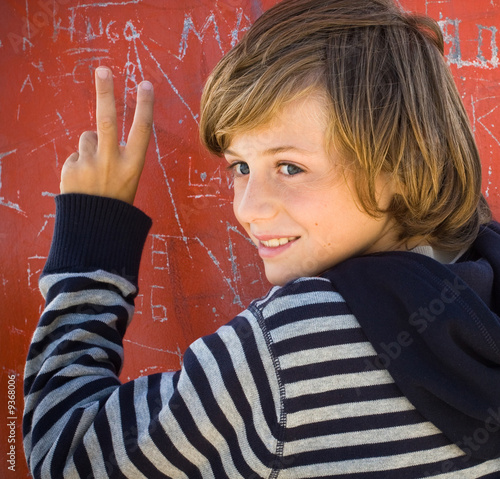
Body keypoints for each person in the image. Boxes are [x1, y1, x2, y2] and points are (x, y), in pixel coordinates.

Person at [23, 0, 500, 477]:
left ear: (403, 166)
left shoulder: (290, 353)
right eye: (240, 167)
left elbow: (64, 455)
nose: (247, 210)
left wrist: (91, 243)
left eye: (290, 167)